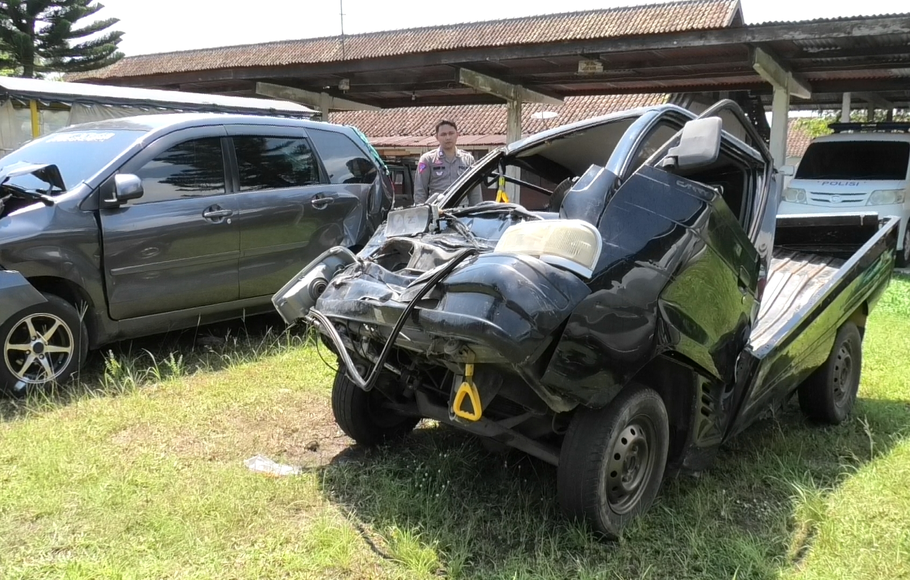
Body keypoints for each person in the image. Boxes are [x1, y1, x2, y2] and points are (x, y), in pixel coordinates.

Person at [413, 120, 483, 206]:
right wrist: (421, 213)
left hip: (462, 213)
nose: (448, 137)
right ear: (437, 137)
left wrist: (477, 213)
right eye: (443, 134)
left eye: (451, 133)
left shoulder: (468, 160)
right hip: (437, 211)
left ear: (457, 135)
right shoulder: (427, 160)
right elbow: (420, 191)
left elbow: (475, 192)